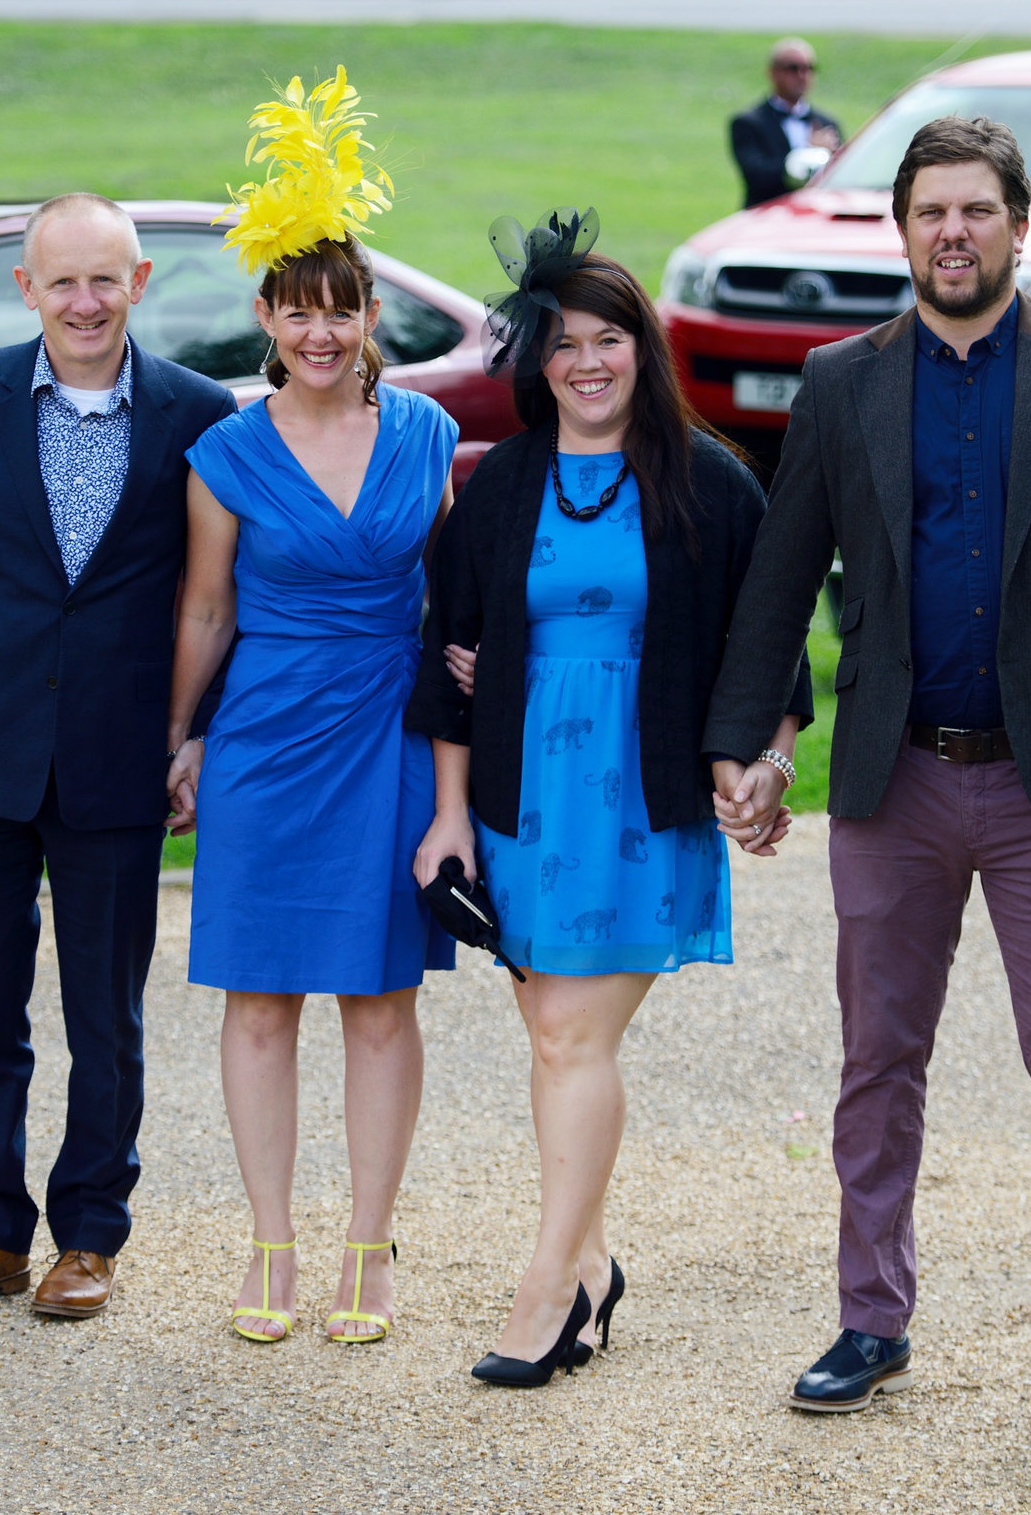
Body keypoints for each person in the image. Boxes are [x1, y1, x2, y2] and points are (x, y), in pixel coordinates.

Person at [702, 117, 1031, 1454]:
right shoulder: (840, 381)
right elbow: (780, 576)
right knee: (878, 1062)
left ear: (1018, 225)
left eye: (976, 210)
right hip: (894, 783)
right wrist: (744, 738)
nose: (953, 233)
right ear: (902, 230)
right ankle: (871, 1319)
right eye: (930, 212)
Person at [408, 209, 811, 1388]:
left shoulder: (710, 483)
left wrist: (768, 760)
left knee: (571, 1036)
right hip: (517, 799)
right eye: (563, 344)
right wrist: (447, 816)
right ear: (535, 363)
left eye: (608, 339)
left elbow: (771, 648)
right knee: (550, 1039)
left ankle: (545, 1291)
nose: (586, 362)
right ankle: (590, 1265)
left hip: (638, 800)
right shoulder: (501, 484)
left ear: (643, 346)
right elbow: (448, 651)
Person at [0, 192, 236, 1320]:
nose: (85, 301)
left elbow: (220, 595)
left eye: (104, 278)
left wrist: (198, 735)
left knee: (105, 1018)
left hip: (119, 756)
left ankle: (89, 1236)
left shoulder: (198, 411)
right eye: (63, 280)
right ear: (26, 288)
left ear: (140, 284)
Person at [165, 68, 455, 1347]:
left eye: (340, 310)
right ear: (265, 317)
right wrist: (179, 738)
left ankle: (368, 1249)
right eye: (297, 311)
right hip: (265, 739)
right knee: (259, 998)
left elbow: (454, 601)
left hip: (388, 733)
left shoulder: (428, 437)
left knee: (380, 1003)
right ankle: (269, 1243)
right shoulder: (225, 452)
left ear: (371, 313)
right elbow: (203, 612)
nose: (320, 333)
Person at [730, 37, 843, 209]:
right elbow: (757, 177)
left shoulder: (827, 123)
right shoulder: (748, 123)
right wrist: (809, 154)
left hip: (816, 214)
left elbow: (842, 177)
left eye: (809, 68)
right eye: (793, 68)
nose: (802, 75)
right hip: (767, 214)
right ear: (772, 72)